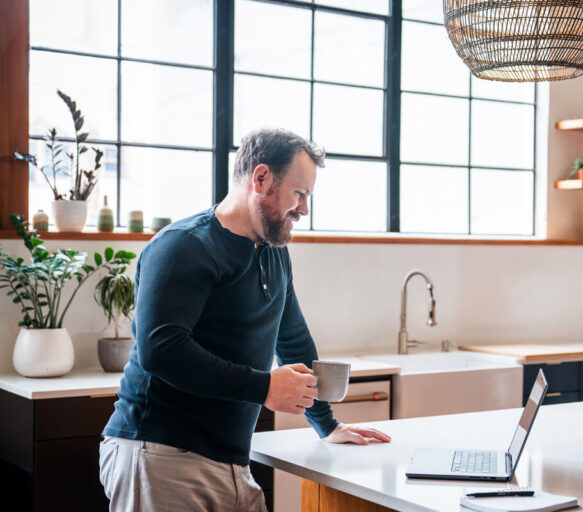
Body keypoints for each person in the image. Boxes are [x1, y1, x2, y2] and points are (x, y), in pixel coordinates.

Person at [99, 128, 390, 511]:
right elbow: (161, 350)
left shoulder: (273, 253)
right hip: (160, 455)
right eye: (299, 194)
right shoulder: (184, 245)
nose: (304, 209)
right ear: (262, 178)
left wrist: (327, 424)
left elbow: (293, 339)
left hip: (232, 462)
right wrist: (264, 388)